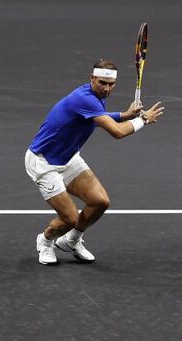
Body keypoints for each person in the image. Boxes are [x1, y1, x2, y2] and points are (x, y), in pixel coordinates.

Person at [25, 59, 165, 265]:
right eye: (102, 83)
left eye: (111, 85)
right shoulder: (85, 99)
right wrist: (142, 120)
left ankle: (71, 241)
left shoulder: (94, 97)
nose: (107, 89)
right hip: (44, 163)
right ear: (91, 79)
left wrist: (124, 115)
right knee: (70, 218)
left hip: (68, 157)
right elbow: (116, 132)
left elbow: (99, 117)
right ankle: (45, 241)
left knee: (100, 202)